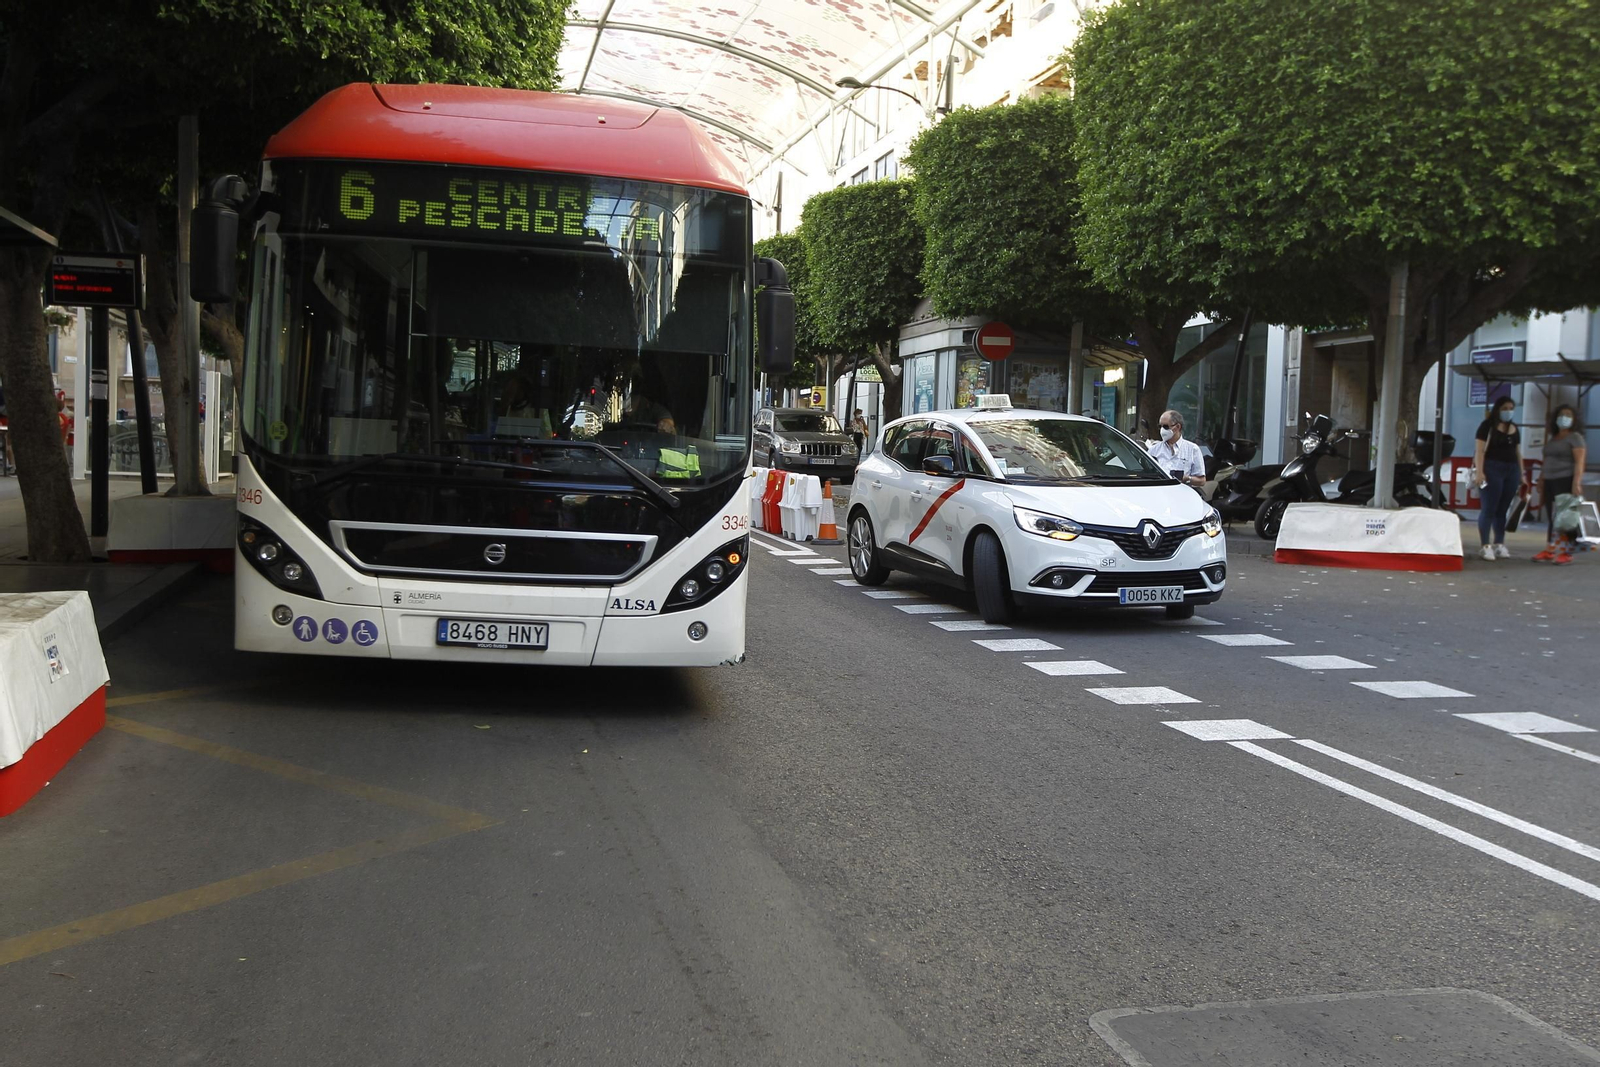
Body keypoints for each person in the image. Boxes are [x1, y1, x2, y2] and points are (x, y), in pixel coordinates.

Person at [1471, 395, 1528, 561]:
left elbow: (1518, 452)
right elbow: (1480, 450)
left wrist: (1522, 474)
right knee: (1489, 508)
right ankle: (1485, 545)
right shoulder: (1487, 427)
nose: (1508, 412)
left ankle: (1499, 543)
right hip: (1492, 468)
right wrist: (1480, 472)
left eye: (1511, 409)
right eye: (1505, 409)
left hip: (1512, 469)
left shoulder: (1514, 429)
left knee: (1503, 509)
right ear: (1497, 409)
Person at [1534, 404, 1587, 564]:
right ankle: (1550, 548)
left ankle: (1567, 551)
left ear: (1574, 419)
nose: (1564, 417)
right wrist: (1541, 479)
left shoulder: (1575, 438)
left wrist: (1576, 482)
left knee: (1565, 517)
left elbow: (1579, 462)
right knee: (1553, 516)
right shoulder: (1553, 438)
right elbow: (1547, 460)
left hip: (1565, 480)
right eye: (1561, 414)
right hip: (1550, 480)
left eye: (1568, 415)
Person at [1145, 409, 1205, 487]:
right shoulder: (1153, 450)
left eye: (1166, 427)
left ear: (1177, 427)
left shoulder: (1192, 449)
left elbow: (1201, 481)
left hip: (1182, 492)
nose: (1162, 430)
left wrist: (1187, 478)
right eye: (1160, 426)